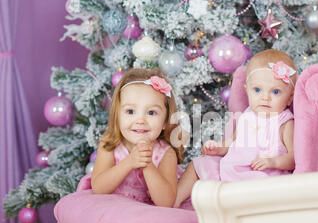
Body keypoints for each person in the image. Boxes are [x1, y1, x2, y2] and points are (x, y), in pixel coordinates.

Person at [174, 49, 296, 208]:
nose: (265, 97)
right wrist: (218, 149)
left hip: (262, 179)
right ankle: (173, 200)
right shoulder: (247, 115)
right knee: (197, 164)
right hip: (231, 173)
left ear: (289, 98)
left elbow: (293, 159)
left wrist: (272, 162)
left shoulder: (284, 122)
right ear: (247, 91)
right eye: (257, 90)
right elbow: (235, 142)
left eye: (275, 91)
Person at [91, 68, 183, 208]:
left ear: (165, 121)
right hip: (113, 209)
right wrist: (129, 162)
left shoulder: (166, 153)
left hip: (146, 215)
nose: (140, 120)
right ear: (118, 115)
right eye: (130, 111)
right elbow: (98, 188)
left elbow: (166, 202)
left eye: (151, 112)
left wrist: (147, 163)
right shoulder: (110, 143)